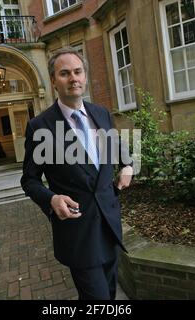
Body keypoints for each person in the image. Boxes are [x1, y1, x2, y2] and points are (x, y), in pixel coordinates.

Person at [20, 47, 133, 300]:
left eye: (78, 71)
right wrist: (51, 199)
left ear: (84, 76)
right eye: (65, 73)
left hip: (109, 224)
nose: (73, 78)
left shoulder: (101, 113)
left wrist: (128, 165)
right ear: (53, 81)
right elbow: (29, 180)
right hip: (78, 232)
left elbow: (117, 146)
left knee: (111, 293)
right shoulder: (40, 126)